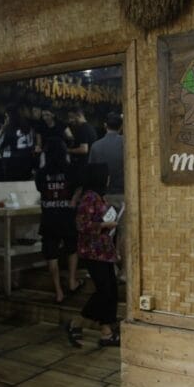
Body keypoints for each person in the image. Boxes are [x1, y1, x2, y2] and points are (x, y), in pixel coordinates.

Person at [66, 163, 120, 348]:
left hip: (104, 251)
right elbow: (82, 225)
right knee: (104, 291)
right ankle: (76, 322)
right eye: (106, 175)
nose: (108, 178)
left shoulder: (98, 196)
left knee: (111, 291)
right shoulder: (89, 197)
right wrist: (105, 225)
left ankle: (107, 333)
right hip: (93, 252)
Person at [34, 137, 84, 304]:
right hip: (67, 216)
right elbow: (80, 185)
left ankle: (58, 292)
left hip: (49, 217)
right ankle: (72, 281)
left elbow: (40, 189)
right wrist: (73, 200)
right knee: (72, 248)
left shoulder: (41, 173)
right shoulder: (71, 169)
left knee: (51, 254)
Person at [88, 112, 125, 280]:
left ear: (105, 126)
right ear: (121, 126)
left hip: (104, 197)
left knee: (106, 233)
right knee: (124, 233)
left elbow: (91, 173)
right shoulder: (126, 143)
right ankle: (125, 272)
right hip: (124, 194)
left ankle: (110, 269)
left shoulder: (96, 146)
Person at [0, 104, 36, 181]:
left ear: (12, 117)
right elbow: (32, 145)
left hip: (14, 164)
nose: (6, 119)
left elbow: (0, 144)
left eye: (7, 117)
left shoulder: (10, 129)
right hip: (28, 163)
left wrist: (3, 130)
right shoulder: (28, 128)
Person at [66, 106, 97, 174]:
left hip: (82, 166)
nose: (70, 120)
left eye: (71, 117)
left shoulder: (82, 129)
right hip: (89, 164)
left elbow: (84, 149)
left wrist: (68, 150)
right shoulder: (90, 128)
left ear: (79, 115)